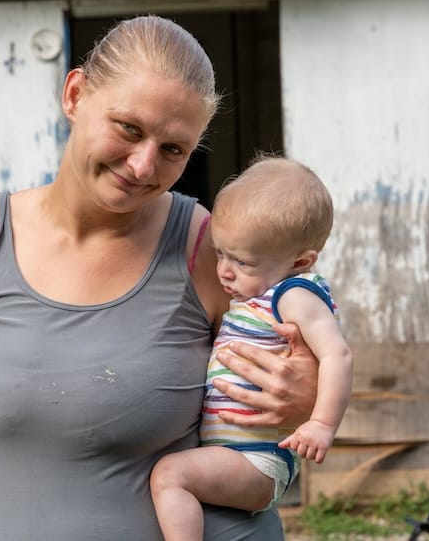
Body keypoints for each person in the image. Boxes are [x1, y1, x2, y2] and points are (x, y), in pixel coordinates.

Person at [0, 15, 321, 541]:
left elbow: (304, 371)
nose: (142, 165)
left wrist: (306, 394)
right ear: (75, 94)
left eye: (173, 149)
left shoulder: (207, 249)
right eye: (129, 129)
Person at [150, 157, 353, 541]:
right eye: (220, 253)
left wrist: (322, 424)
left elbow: (337, 354)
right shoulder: (255, 294)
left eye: (242, 261)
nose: (224, 270)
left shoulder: (293, 294)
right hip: (237, 452)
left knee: (170, 475)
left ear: (299, 261)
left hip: (257, 459)